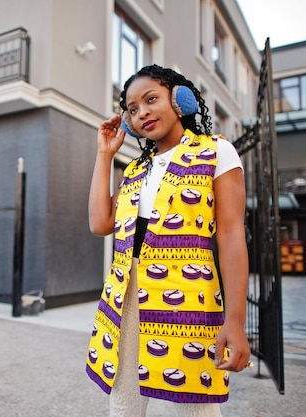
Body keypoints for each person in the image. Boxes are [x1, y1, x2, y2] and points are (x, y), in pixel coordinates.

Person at [85, 64, 250, 417]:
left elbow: (233, 235)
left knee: (196, 406)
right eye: (132, 108)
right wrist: (105, 154)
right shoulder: (135, 169)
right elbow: (101, 223)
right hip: (127, 295)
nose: (141, 111)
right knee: (125, 401)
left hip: (189, 295)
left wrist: (235, 319)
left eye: (151, 99)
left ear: (180, 100)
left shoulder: (217, 152)